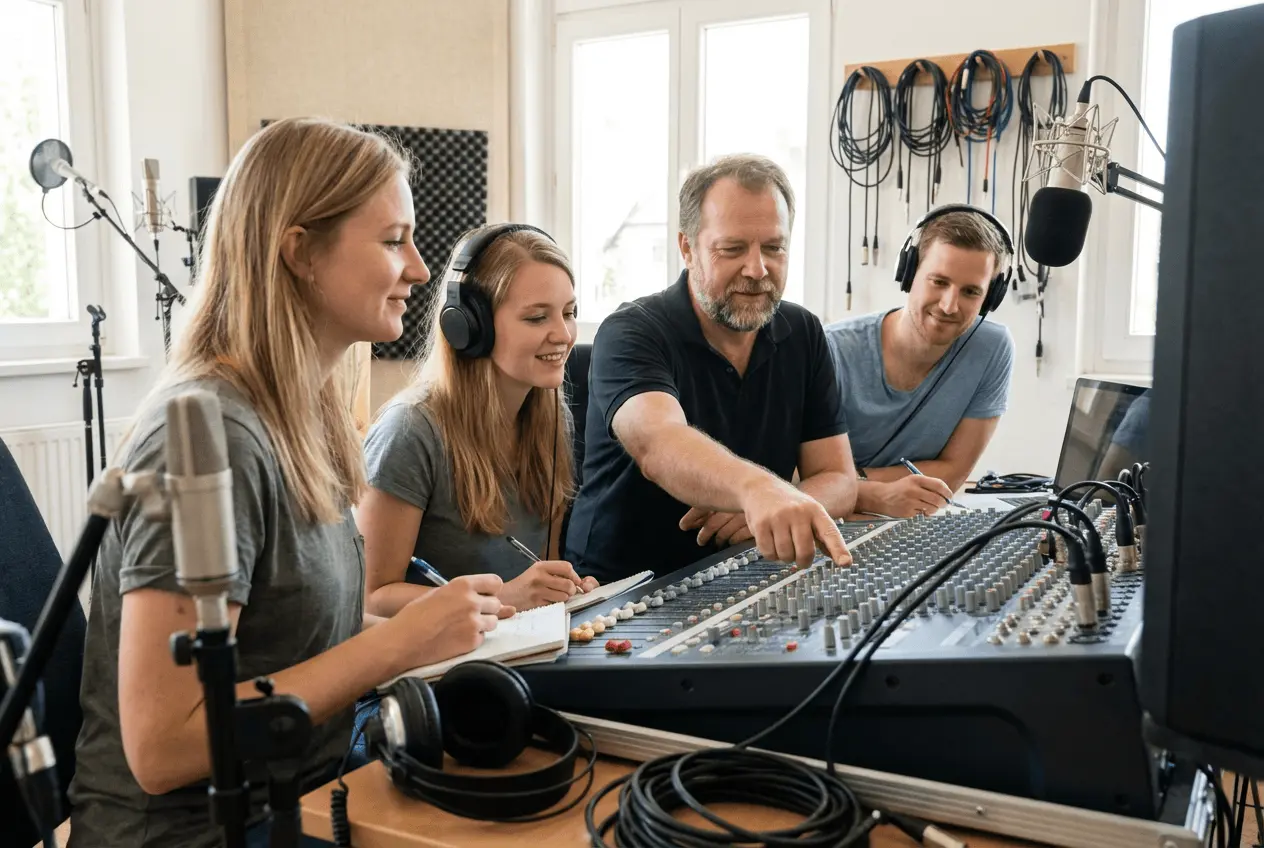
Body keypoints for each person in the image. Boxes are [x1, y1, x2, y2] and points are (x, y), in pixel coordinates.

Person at [68, 118, 511, 848]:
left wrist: (433, 634)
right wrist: (395, 647)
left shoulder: (301, 416)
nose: (421, 269)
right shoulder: (206, 439)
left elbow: (289, 640)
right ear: (300, 252)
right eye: (393, 239)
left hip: (301, 798)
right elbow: (162, 747)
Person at [565, 154, 857, 583]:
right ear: (687, 247)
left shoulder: (803, 331)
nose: (757, 270)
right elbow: (659, 443)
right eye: (732, 249)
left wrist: (779, 499)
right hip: (620, 592)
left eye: (774, 248)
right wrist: (757, 490)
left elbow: (839, 479)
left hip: (742, 573)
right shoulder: (630, 331)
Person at [356, 223, 599, 617]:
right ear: (469, 326)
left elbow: (537, 575)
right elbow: (368, 598)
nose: (563, 334)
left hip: (514, 650)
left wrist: (560, 588)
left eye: (569, 313)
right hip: (436, 666)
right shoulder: (410, 431)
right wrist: (504, 596)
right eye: (537, 318)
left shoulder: (554, 420)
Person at [824, 204, 1016, 519]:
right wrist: (875, 496)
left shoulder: (992, 349)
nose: (949, 305)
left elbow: (950, 475)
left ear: (990, 298)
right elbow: (792, 478)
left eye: (970, 292)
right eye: (938, 282)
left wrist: (844, 483)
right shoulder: (831, 349)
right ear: (909, 273)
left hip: (905, 522)